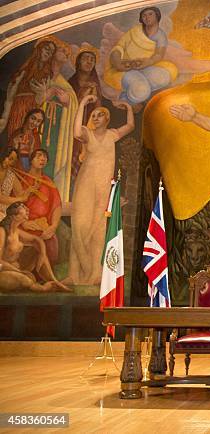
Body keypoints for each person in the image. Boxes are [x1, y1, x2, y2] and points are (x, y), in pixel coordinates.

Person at [65, 95, 134, 285]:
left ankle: (95, 272)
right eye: (93, 115)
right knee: (80, 224)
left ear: (107, 119)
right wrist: (82, 104)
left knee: (98, 227)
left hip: (103, 186)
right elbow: (76, 130)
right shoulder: (87, 133)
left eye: (99, 115)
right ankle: (74, 274)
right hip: (86, 184)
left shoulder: (112, 134)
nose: (95, 118)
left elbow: (130, 126)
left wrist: (128, 107)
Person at [104, 7, 178, 107]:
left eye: (150, 14)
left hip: (145, 66)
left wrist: (148, 62)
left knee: (164, 76)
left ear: (157, 16)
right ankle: (124, 102)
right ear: (141, 19)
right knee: (141, 89)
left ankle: (136, 93)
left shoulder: (161, 35)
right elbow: (119, 47)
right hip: (126, 68)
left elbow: (159, 55)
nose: (147, 17)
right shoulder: (135, 31)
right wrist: (118, 63)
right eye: (144, 15)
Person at [36, 40, 78, 201]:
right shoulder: (41, 75)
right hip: (40, 126)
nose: (65, 55)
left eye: (68, 54)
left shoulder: (64, 84)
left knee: (52, 162)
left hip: (56, 132)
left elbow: (72, 103)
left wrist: (68, 102)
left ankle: (47, 199)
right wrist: (45, 96)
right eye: (62, 51)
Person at [0, 202, 70, 293]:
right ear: (14, 216)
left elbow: (37, 240)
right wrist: (19, 272)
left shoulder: (17, 231)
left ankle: (54, 281)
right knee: (25, 280)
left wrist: (42, 253)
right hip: (4, 272)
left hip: (19, 270)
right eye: (23, 207)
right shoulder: (2, 231)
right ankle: (43, 288)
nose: (27, 209)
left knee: (37, 251)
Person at [68, 45, 107, 195]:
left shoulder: (95, 84)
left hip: (87, 131)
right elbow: (68, 106)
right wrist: (82, 95)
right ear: (78, 62)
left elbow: (98, 111)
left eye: (92, 59)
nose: (89, 62)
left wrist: (94, 94)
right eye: (86, 58)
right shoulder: (70, 84)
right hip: (70, 130)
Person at [5, 38, 56, 136]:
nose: (49, 53)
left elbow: (42, 98)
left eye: (51, 52)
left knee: (29, 138)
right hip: (20, 105)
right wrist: (6, 113)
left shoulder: (48, 74)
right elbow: (13, 89)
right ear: (39, 49)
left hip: (34, 108)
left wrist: (42, 93)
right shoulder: (26, 67)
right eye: (47, 49)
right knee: (16, 133)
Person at [20, 149, 62, 264]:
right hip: (25, 225)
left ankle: (45, 279)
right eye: (38, 156)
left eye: (45, 157)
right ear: (31, 160)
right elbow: (15, 205)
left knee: (51, 243)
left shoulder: (48, 182)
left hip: (43, 226)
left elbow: (57, 205)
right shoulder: (22, 180)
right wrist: (24, 223)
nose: (42, 159)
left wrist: (53, 226)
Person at [0, 147, 34, 221]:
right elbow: (1, 198)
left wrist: (29, 191)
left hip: (4, 209)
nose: (11, 163)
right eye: (10, 159)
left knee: (24, 214)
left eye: (14, 161)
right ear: (3, 156)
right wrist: (20, 199)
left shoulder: (11, 174)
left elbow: (20, 193)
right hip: (2, 211)